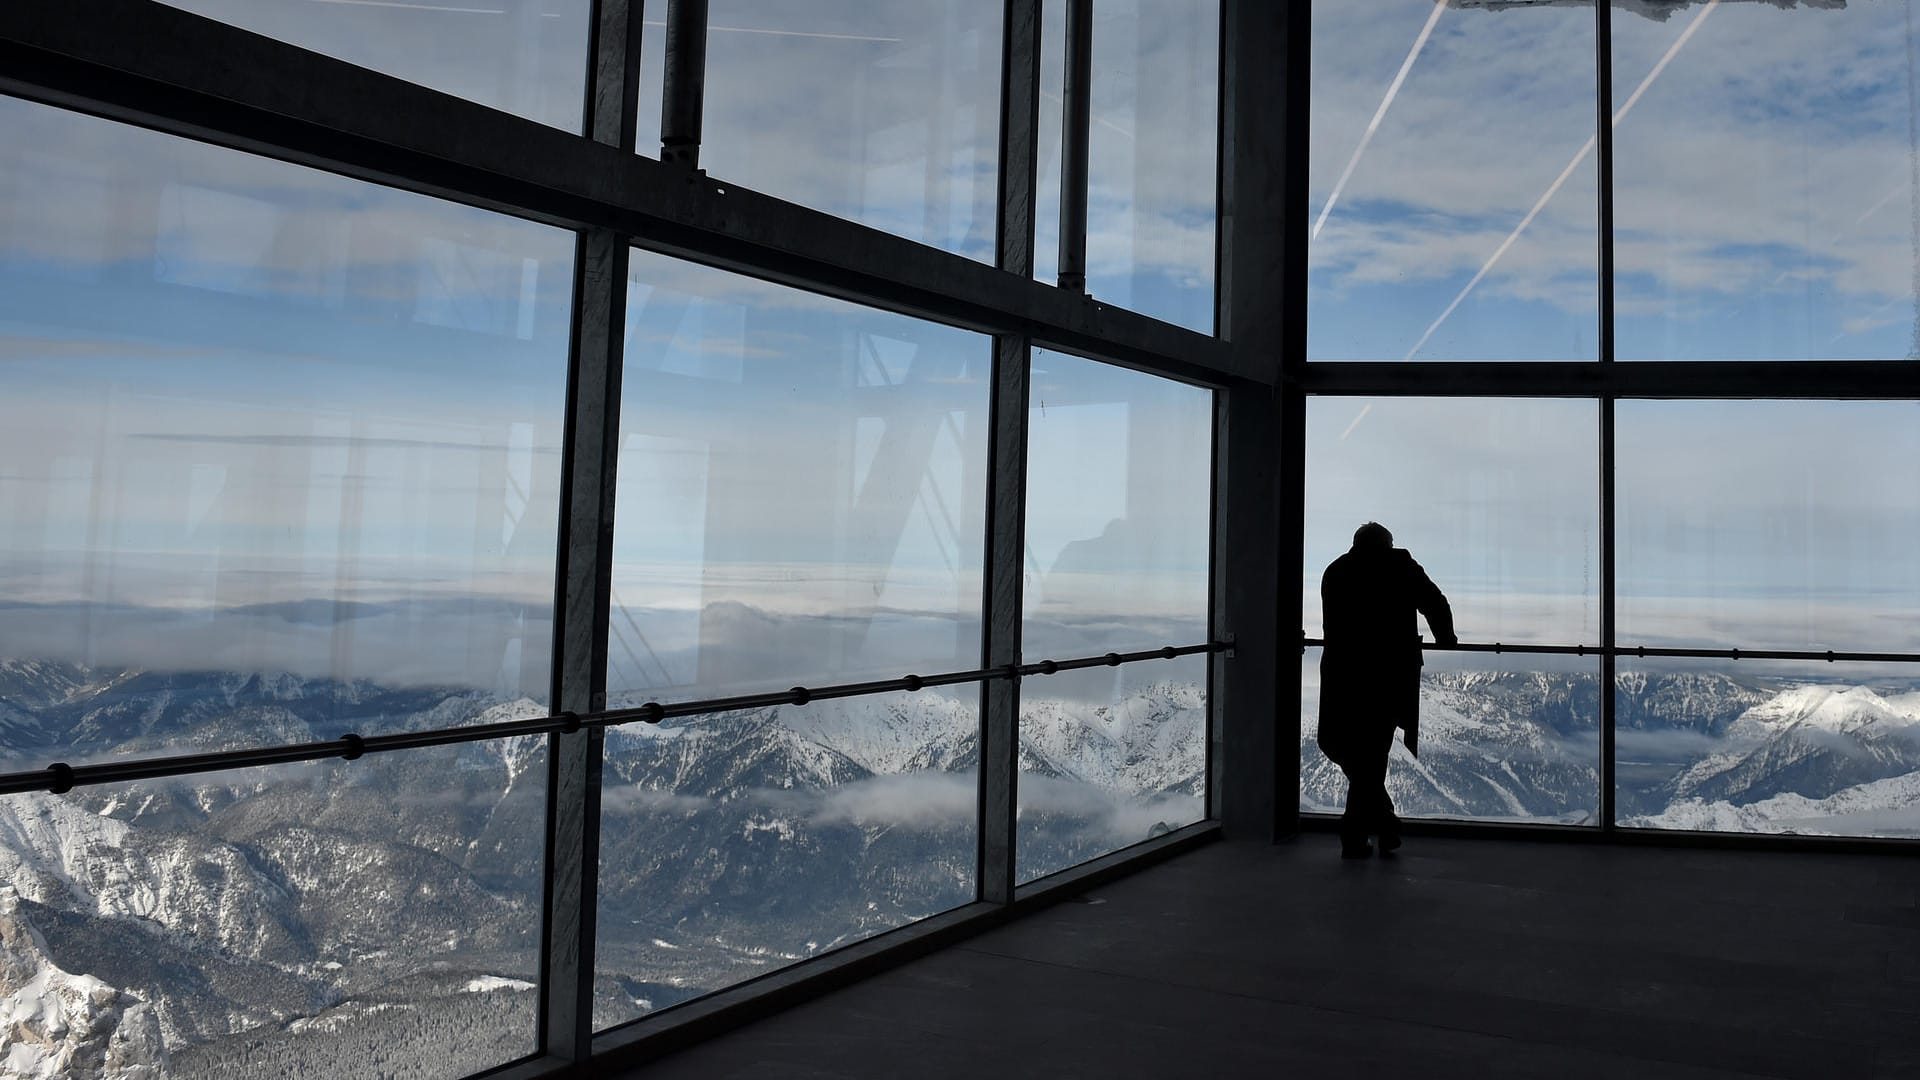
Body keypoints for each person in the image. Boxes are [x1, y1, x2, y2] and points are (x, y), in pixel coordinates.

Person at [1317, 522, 1456, 860]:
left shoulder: (1335, 571)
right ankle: (1376, 827)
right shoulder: (1401, 566)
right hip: (1388, 677)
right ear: (1387, 545)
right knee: (1371, 756)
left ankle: (1368, 831)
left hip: (1343, 675)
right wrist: (1446, 640)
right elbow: (1435, 603)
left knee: (1345, 748)